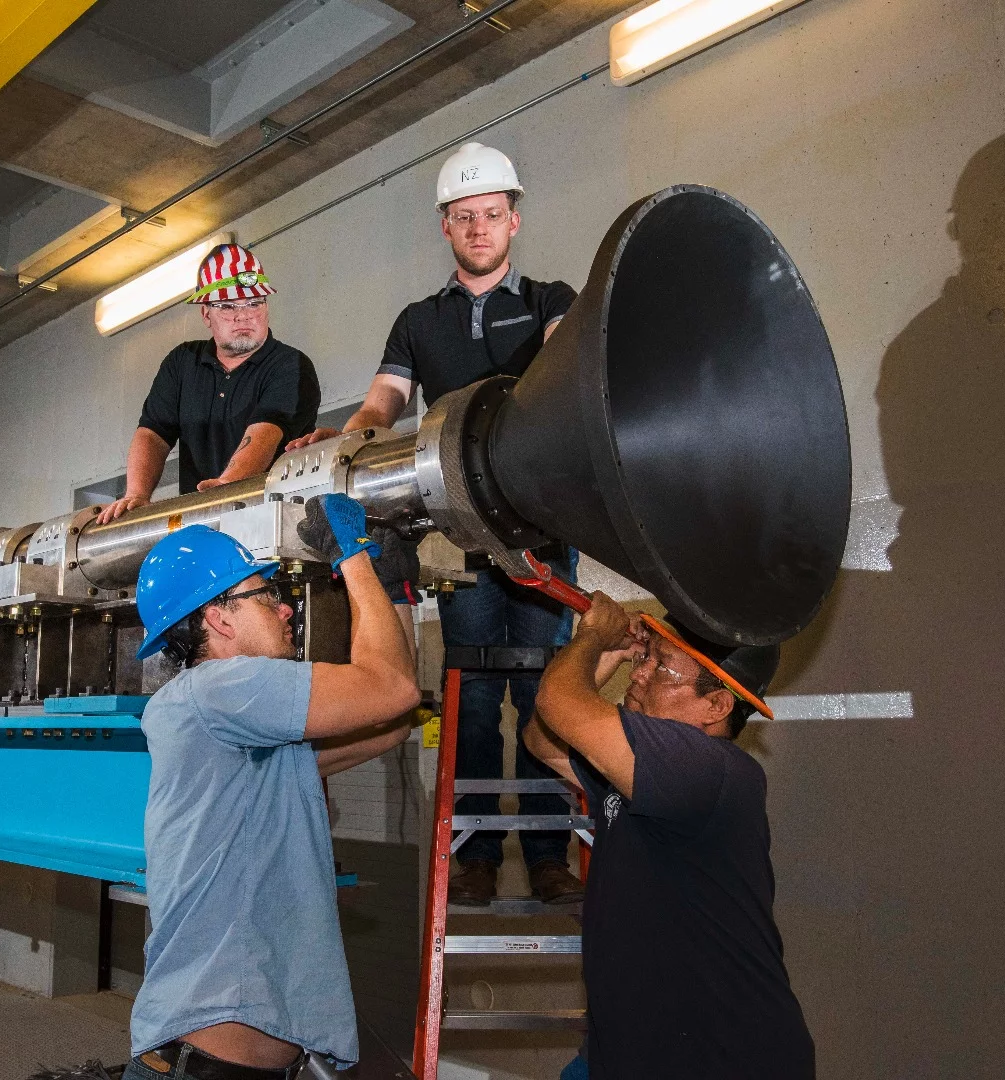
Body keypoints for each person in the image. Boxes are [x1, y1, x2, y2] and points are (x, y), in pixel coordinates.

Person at [287, 142, 582, 906]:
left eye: (491, 214)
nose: (478, 227)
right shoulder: (419, 322)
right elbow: (384, 402)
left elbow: (568, 369)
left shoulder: (551, 301)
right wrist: (345, 437)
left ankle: (548, 857)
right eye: (464, 217)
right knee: (473, 696)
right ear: (445, 227)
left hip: (542, 530)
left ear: (513, 220)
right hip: (457, 535)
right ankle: (476, 857)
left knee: (546, 691)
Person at [125, 494, 420, 1080]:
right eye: (267, 596)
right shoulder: (220, 689)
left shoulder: (241, 729)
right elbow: (392, 688)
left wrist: (392, 590)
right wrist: (352, 558)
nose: (286, 610)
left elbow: (391, 721)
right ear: (219, 617)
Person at [524, 593, 814, 1079]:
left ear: (717, 704)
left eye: (660, 668)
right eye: (646, 658)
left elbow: (559, 703)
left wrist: (592, 639)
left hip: (721, 1062)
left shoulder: (706, 768)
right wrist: (608, 656)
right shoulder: (645, 772)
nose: (638, 674)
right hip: (628, 1054)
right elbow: (543, 740)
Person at [98, 244, 320, 523]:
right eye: (227, 306)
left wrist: (227, 486)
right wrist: (136, 494)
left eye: (254, 303)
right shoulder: (182, 362)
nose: (243, 315)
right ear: (206, 315)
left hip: (275, 522)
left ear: (266, 307)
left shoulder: (290, 364)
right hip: (200, 522)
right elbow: (152, 433)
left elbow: (265, 433)